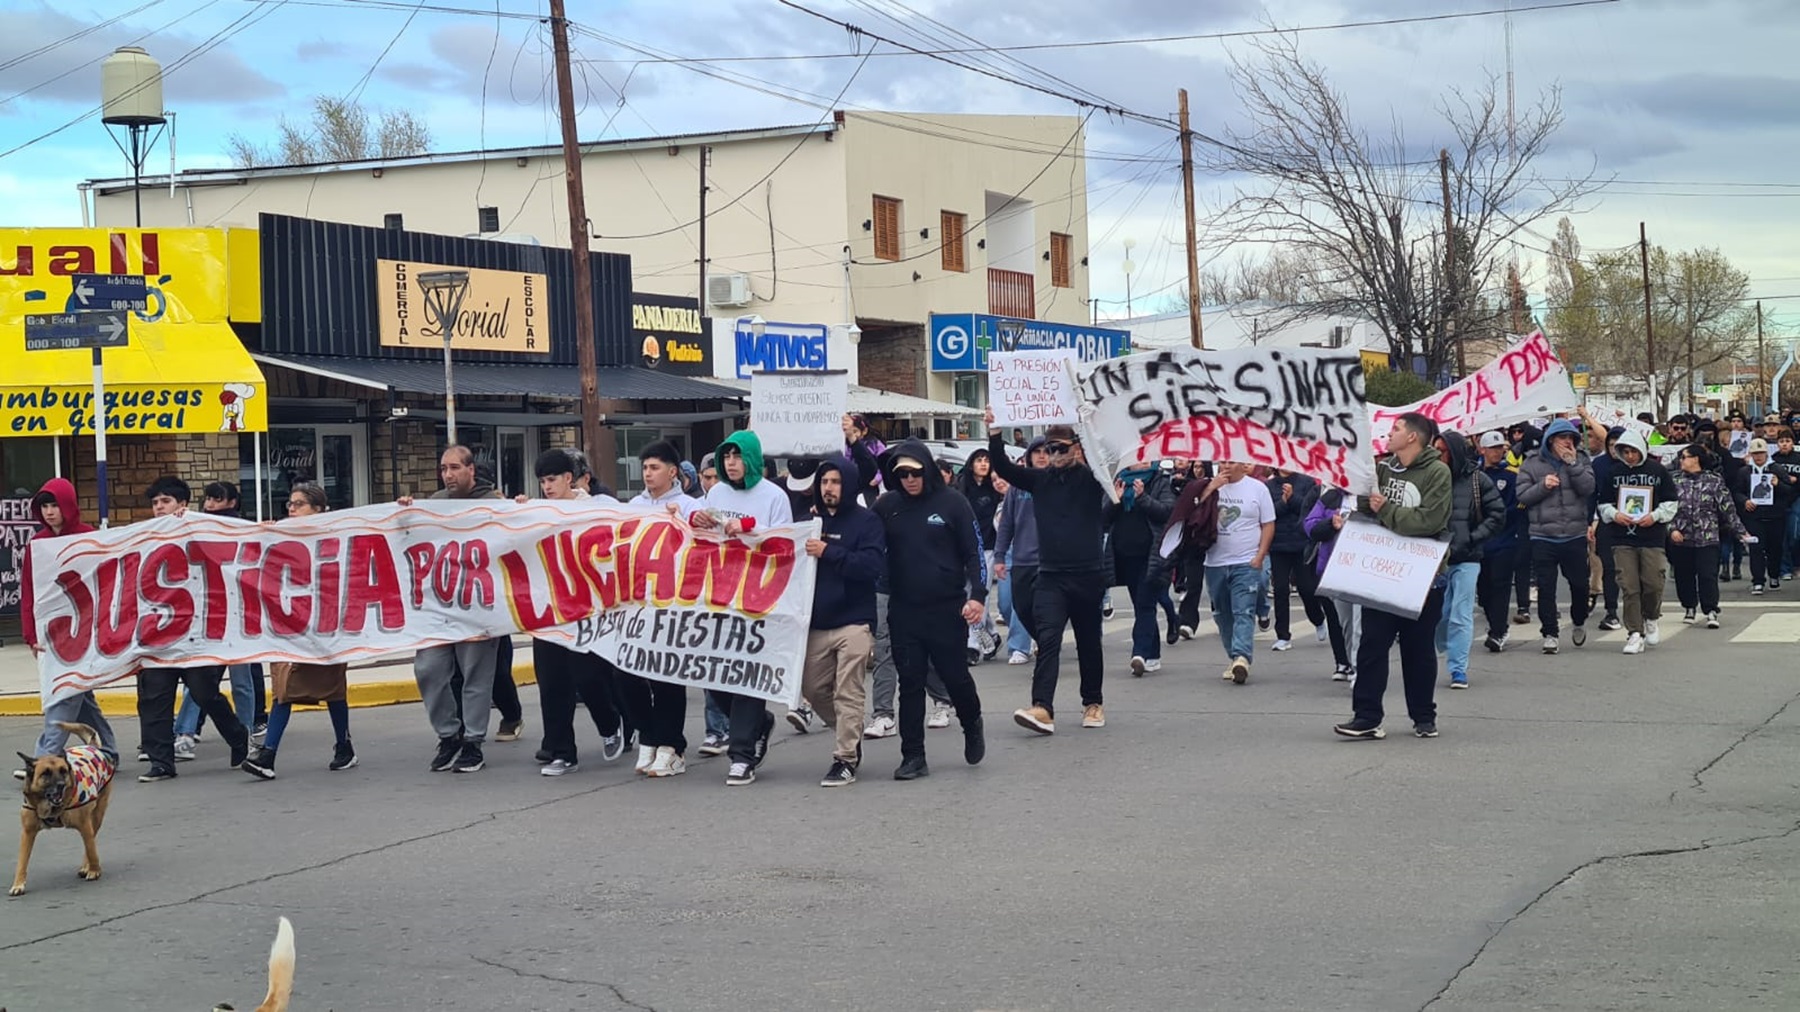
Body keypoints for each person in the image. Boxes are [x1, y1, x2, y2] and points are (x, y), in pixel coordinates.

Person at [984, 411, 1108, 734]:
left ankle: (1092, 702)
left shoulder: (1093, 477)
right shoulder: (1039, 480)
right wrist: (995, 433)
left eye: (1060, 448)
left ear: (1076, 449)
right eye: (1049, 449)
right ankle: (1042, 708)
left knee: (1088, 642)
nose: (1054, 455)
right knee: (1049, 638)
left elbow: (1105, 454)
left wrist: (1090, 423)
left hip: (1087, 574)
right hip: (1051, 576)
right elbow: (1004, 468)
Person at [1335, 413, 1453, 740]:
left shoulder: (1437, 472)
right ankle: (1367, 717)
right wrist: (1357, 495)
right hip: (1382, 571)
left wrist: (1386, 509)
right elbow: (1363, 507)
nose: (1389, 434)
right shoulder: (1382, 469)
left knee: (1418, 649)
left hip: (1423, 576)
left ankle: (1423, 716)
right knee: (1372, 645)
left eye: (1397, 429)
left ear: (1413, 437)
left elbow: (1428, 521)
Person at [873, 440, 987, 779]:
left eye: (915, 472)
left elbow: (974, 552)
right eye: (902, 474)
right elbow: (860, 534)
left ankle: (972, 722)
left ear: (928, 469)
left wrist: (978, 596)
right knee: (910, 683)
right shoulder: (887, 506)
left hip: (946, 608)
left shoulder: (953, 503)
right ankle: (913, 756)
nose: (909, 479)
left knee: (954, 677)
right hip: (905, 609)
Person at [516, 449, 628, 776]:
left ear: (569, 478)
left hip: (587, 609)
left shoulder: (597, 509)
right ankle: (562, 751)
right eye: (542, 482)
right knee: (552, 682)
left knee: (589, 676)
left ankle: (610, 723)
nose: (547, 487)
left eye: (552, 480)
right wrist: (516, 511)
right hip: (548, 610)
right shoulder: (537, 511)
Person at [134, 477, 252, 782]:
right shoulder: (144, 537)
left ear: (183, 505)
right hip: (158, 634)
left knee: (204, 693)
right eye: (155, 503)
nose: (159, 508)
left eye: (166, 502)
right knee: (154, 697)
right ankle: (162, 761)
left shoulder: (201, 531)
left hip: (195, 635)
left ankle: (238, 737)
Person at [692, 430, 792, 786]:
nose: (731, 463)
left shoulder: (774, 496)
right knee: (714, 675)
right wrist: (698, 521)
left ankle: (742, 755)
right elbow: (704, 536)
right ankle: (757, 723)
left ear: (751, 459)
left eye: (737, 456)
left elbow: (785, 542)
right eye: (726, 456)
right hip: (719, 593)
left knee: (746, 673)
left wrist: (750, 527)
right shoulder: (715, 492)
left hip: (757, 596)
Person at [241, 483, 356, 780]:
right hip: (289, 624)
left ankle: (343, 745)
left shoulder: (334, 537)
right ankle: (269, 754)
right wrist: (262, 535)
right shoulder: (279, 537)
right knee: (284, 686)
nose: (291, 509)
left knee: (331, 687)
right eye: (290, 503)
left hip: (324, 625)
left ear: (318, 510)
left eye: (300, 504)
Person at [403, 446, 504, 775]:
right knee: (428, 669)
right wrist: (404, 514)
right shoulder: (433, 504)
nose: (448, 474)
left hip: (477, 604)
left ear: (471, 470)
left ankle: (473, 742)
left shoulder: (495, 504)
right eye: (444, 468)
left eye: (455, 468)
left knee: (476, 673)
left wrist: (521, 510)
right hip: (438, 605)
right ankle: (448, 735)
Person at [15, 477, 118, 780]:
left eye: (54, 505)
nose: (49, 512)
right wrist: (30, 635)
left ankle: (42, 759)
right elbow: (29, 592)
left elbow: (110, 581)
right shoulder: (37, 543)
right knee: (80, 698)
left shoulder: (90, 538)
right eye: (44, 506)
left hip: (85, 634)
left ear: (68, 506)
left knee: (63, 694)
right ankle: (108, 753)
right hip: (52, 635)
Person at [797, 456, 885, 787]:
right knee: (813, 689)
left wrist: (829, 552)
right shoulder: (809, 522)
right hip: (818, 622)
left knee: (849, 690)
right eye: (823, 482)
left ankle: (845, 758)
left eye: (835, 482)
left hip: (854, 621)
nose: (828, 488)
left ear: (847, 485)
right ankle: (850, 732)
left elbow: (871, 567)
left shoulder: (867, 522)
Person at [625, 440, 703, 777]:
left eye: (655, 468)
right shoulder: (632, 506)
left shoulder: (688, 505)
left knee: (667, 674)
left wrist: (686, 522)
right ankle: (649, 734)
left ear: (673, 472)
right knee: (626, 672)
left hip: (675, 603)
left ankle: (672, 746)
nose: (648, 474)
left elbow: (707, 536)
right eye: (644, 468)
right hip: (638, 602)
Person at [172, 480, 263, 761]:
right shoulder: (198, 527)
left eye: (217, 498)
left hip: (235, 616)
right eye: (208, 499)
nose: (211, 504)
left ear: (232, 502)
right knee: (202, 680)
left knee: (233, 680)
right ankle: (194, 732)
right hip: (213, 616)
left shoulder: (240, 529)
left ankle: (231, 733)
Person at [1595, 429, 1681, 654]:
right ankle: (1634, 632)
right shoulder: (1613, 473)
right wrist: (1615, 514)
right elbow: (1603, 503)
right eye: (1625, 451)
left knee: (1653, 582)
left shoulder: (1658, 471)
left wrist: (1654, 516)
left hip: (1652, 537)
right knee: (1629, 586)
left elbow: (1671, 502)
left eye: (1633, 451)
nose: (1630, 456)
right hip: (1622, 537)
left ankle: (1651, 616)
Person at [1516, 418, 1597, 654]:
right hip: (1543, 535)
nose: (1568, 442)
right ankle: (1550, 632)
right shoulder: (1532, 462)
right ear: (1551, 440)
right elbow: (1522, 495)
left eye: (1571, 438)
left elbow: (1588, 488)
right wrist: (1543, 485)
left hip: (1573, 534)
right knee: (1546, 587)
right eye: (1563, 438)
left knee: (1580, 585)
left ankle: (1579, 620)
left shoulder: (1580, 458)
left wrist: (1572, 464)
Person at [1434, 431, 1506, 689]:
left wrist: (1473, 537)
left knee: (1460, 614)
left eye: (1442, 451)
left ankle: (1458, 669)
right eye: (1434, 450)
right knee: (1440, 615)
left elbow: (1497, 514)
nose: (1437, 456)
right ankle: (1443, 647)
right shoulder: (1429, 479)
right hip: (1435, 559)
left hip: (1467, 557)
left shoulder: (1477, 479)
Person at [1202, 462, 1276, 685]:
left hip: (1245, 561)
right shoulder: (1210, 487)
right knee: (1223, 613)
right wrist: (1210, 488)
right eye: (1221, 461)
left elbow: (1268, 524)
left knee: (1243, 610)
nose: (1225, 465)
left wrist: (1260, 556)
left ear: (1242, 466)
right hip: (1214, 562)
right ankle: (1233, 656)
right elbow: (1191, 510)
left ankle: (1242, 657)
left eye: (1230, 461)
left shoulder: (1257, 489)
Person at [1105, 459, 1177, 674]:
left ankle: (1140, 653)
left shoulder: (1160, 480)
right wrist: (1114, 501)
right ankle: (1152, 654)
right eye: (1136, 458)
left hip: (1151, 553)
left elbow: (1167, 511)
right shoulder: (1117, 481)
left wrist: (1143, 498)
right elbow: (1102, 519)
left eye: (1146, 456)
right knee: (1140, 604)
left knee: (1145, 604)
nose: (1142, 461)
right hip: (1124, 554)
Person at [1669, 444, 1751, 631]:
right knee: (1684, 575)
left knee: (1708, 574)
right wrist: (1671, 529)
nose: (1681, 461)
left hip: (1708, 536)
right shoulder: (1674, 480)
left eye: (1685, 457)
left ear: (1696, 459)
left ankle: (1711, 609)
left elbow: (1727, 508)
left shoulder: (1714, 480)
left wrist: (1741, 531)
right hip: (1681, 536)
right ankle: (1689, 606)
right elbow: (1666, 508)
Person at [994, 437, 1048, 665]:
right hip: (1021, 558)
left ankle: (1023, 647)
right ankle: (1040, 638)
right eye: (1037, 452)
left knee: (1045, 608)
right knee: (1012, 605)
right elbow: (1007, 523)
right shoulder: (1018, 487)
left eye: (1047, 451)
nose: (1042, 456)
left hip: (1050, 560)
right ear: (1028, 456)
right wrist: (999, 556)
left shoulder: (1059, 482)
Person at [1264, 468, 1324, 653]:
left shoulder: (1306, 482)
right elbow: (1268, 513)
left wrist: (1293, 498)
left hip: (1301, 543)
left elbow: (1310, 509)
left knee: (1307, 589)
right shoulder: (1269, 486)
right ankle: (1282, 635)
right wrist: (1283, 501)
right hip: (1278, 545)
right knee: (1281, 590)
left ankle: (1318, 620)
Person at [1476, 431, 1525, 652]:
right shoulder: (1474, 475)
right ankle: (1494, 622)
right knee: (1484, 589)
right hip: (1479, 541)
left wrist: (1498, 516)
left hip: (1505, 539)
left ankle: (1498, 631)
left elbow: (1518, 506)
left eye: (1501, 448)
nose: (1498, 452)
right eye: (1493, 448)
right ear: (1482, 449)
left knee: (1500, 585)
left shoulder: (1511, 476)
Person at [1303, 486, 1359, 682]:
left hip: (1364, 570)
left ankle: (1357, 670)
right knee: (1346, 622)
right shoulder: (1331, 497)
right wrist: (1330, 524)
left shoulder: (1372, 496)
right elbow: (1310, 525)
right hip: (1336, 569)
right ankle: (1348, 664)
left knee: (1360, 623)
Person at [956, 448, 1004, 664]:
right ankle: (991, 635)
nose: (983, 464)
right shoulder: (961, 489)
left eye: (987, 460)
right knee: (966, 593)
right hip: (964, 549)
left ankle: (972, 645)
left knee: (978, 594)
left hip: (988, 548)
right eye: (979, 460)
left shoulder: (993, 489)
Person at [1733, 438, 1789, 593]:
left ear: (1766, 453)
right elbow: (1737, 491)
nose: (1758, 457)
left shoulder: (1776, 469)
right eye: (1755, 453)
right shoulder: (1744, 472)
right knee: (1756, 548)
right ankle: (1758, 580)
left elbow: (1789, 491)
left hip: (1775, 516)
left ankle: (1774, 575)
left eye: (1761, 453)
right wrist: (1745, 501)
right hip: (1754, 516)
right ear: (1751, 454)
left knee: (1775, 548)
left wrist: (1778, 485)